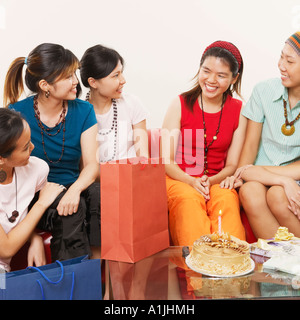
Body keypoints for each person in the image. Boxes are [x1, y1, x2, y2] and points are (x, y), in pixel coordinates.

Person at [4, 43, 100, 261]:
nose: (76, 81)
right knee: (72, 210)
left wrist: (75, 190)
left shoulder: (84, 110)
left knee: (99, 195)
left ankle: (101, 273)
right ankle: (73, 284)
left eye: (74, 74)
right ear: (45, 85)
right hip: (36, 195)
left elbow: (92, 165)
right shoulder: (17, 114)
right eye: (68, 76)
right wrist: (33, 236)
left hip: (74, 187)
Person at [161, 40, 247, 246]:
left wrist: (213, 180)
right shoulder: (179, 104)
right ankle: (198, 276)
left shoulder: (239, 110)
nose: (211, 80)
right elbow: (166, 160)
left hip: (217, 180)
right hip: (179, 178)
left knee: (226, 202)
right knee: (189, 202)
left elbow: (232, 165)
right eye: (206, 71)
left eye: (221, 75)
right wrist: (191, 181)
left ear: (234, 79)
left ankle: (231, 273)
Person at [225, 32, 300, 239]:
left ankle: (292, 265)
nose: (281, 65)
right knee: (249, 193)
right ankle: (279, 263)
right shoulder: (263, 91)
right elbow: (250, 147)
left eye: (290, 61)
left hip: (290, 176)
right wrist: (239, 174)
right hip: (259, 174)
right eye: (281, 57)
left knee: (278, 196)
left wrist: (265, 175)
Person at [0, 108, 63, 272]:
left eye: (30, 141)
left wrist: (33, 237)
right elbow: (5, 248)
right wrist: (41, 203)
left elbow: (10, 222)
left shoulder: (36, 169)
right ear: (1, 158)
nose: (33, 147)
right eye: (25, 147)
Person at [80, 44, 149, 163]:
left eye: (121, 73)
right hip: (96, 179)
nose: (123, 80)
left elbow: (143, 157)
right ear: (93, 82)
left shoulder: (132, 103)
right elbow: (85, 168)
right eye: (116, 75)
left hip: (133, 176)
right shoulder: (79, 113)